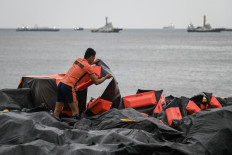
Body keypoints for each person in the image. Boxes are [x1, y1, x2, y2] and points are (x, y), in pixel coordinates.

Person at [54, 48, 112, 118]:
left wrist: (93, 63)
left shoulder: (78, 60)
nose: (93, 60)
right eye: (93, 58)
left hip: (61, 84)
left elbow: (83, 66)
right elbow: (96, 82)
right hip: (68, 87)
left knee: (57, 110)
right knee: (75, 111)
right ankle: (75, 128)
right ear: (91, 57)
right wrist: (105, 77)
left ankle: (53, 125)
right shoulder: (88, 67)